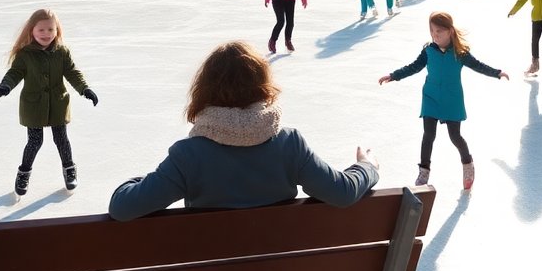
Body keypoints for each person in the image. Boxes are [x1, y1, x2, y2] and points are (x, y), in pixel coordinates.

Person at [108, 41, 379, 220]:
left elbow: (122, 207)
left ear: (204, 91)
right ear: (262, 87)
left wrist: (152, 178)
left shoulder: (188, 158)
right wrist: (367, 167)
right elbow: (342, 192)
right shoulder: (289, 145)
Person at [379, 11, 509, 190]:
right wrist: (394, 76)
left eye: (439, 31)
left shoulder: (460, 54)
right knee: (428, 135)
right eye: (432, 31)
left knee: (455, 136)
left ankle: (468, 164)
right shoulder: (428, 51)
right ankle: (424, 172)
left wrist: (497, 73)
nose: (435, 34)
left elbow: (478, 65)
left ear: (450, 32)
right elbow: (414, 67)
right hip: (431, 97)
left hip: (452, 98)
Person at [0, 9, 98, 198]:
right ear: (32, 30)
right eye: (41, 30)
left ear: (57, 30)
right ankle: (23, 173)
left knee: (61, 139)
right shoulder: (26, 54)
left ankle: (69, 169)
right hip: (34, 106)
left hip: (57, 103)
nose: (46, 34)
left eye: (51, 29)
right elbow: (15, 73)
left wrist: (85, 89)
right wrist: (5, 87)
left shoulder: (62, 51)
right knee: (34, 142)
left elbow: (72, 72)